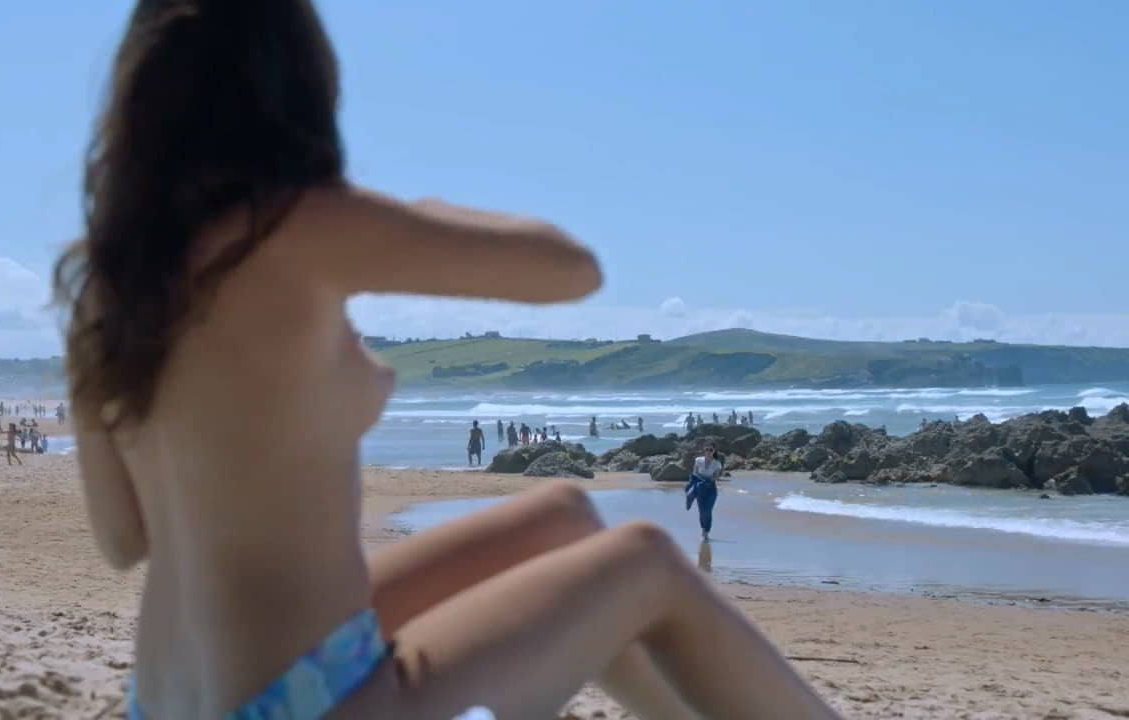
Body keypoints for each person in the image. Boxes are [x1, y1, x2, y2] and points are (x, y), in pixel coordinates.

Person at [53, 3, 840, 718]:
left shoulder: (106, 280)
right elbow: (570, 269)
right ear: (296, 87)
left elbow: (123, 539)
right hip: (308, 705)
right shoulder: (295, 227)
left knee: (561, 515)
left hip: (168, 700)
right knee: (645, 563)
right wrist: (408, 215)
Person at [685, 445, 723, 542]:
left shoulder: (717, 463)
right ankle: (703, 528)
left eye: (711, 450)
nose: (709, 451)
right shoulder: (698, 460)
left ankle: (706, 532)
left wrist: (709, 480)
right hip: (700, 487)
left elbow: (716, 476)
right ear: (704, 450)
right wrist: (702, 480)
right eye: (707, 449)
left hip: (711, 489)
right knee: (702, 511)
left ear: (714, 451)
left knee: (708, 511)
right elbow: (695, 473)